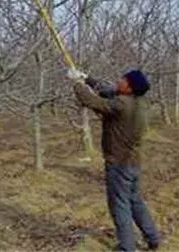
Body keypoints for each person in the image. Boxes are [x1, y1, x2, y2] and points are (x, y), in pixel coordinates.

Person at [67, 67, 161, 251]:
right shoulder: (140, 102)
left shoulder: (121, 105)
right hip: (133, 163)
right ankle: (153, 237)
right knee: (135, 201)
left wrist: (77, 84)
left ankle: (127, 247)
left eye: (123, 80)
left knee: (119, 206)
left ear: (130, 88)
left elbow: (92, 101)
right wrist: (87, 79)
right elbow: (109, 90)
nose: (119, 81)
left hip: (119, 164)